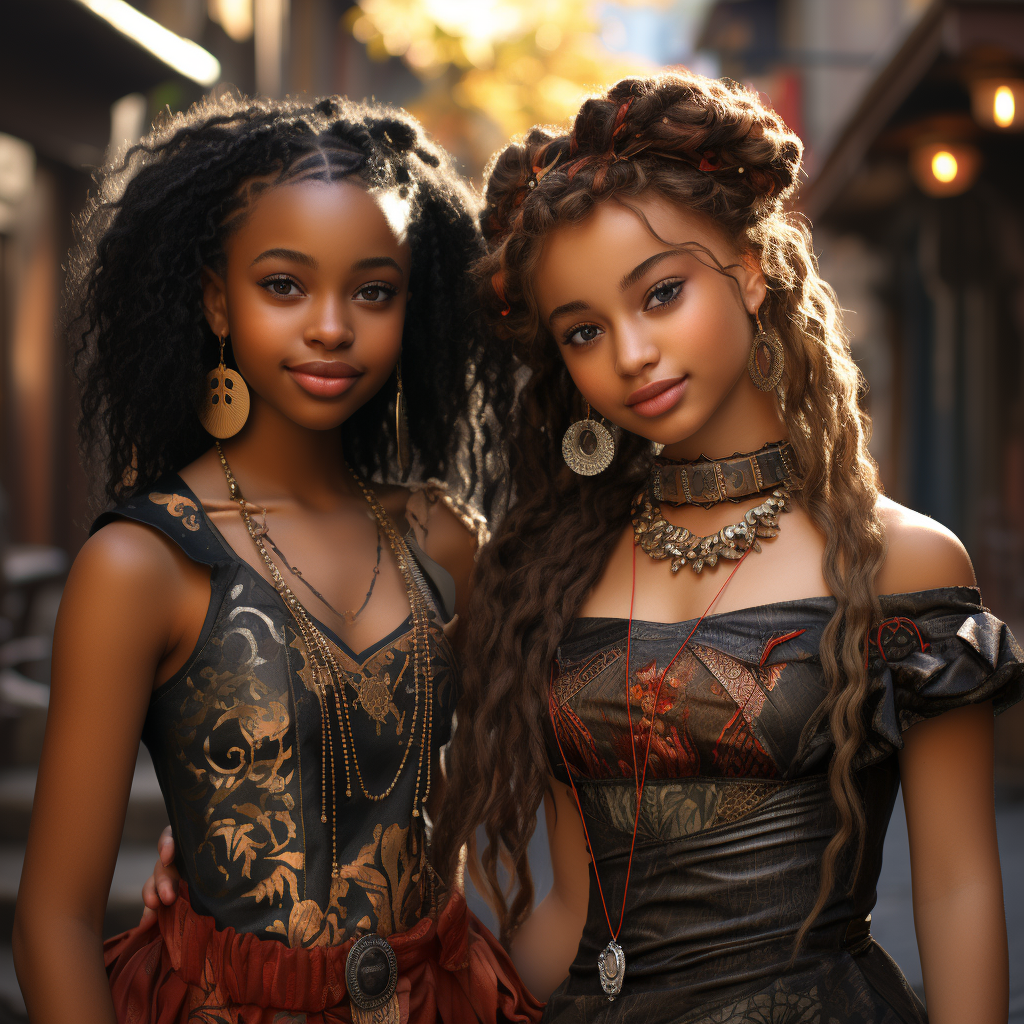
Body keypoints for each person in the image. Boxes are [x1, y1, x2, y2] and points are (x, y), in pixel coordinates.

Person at [432, 70, 1023, 1023]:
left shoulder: (901, 563)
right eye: (584, 330)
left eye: (660, 293)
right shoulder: (552, 574)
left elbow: (958, 891)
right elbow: (573, 913)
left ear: (749, 268)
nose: (629, 353)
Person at [13, 93, 540, 1024]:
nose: (331, 326)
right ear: (217, 297)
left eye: (372, 290)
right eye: (284, 285)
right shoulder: (143, 564)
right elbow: (51, 923)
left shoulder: (444, 538)